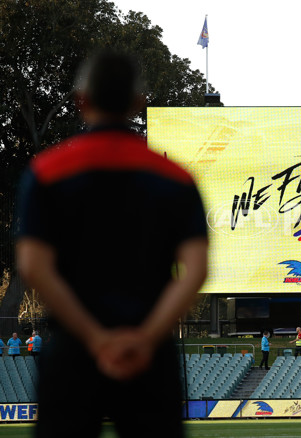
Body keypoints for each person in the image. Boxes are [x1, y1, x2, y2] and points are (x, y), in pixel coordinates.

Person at [16, 51, 208, 438]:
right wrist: (145, 337)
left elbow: (33, 265)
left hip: (73, 350)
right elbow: (196, 270)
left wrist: (96, 338)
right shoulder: (176, 178)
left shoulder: (48, 171)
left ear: (81, 99)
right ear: (138, 102)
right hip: (150, 355)